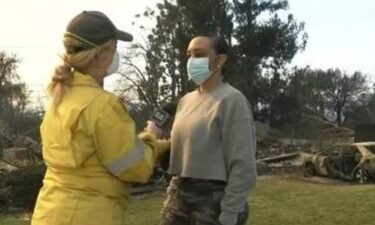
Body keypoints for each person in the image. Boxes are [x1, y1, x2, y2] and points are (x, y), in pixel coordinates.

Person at [31, 11, 165, 225]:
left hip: (49, 213)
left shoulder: (60, 95)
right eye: (114, 48)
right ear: (102, 54)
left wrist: (160, 145)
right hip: (89, 215)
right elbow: (135, 167)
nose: (116, 55)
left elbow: (96, 153)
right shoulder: (103, 104)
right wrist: (151, 136)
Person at [161, 35, 257, 225]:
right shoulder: (185, 102)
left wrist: (230, 212)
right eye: (189, 55)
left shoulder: (232, 100)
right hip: (180, 200)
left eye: (199, 54)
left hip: (213, 204)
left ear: (220, 60)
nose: (191, 61)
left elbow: (243, 164)